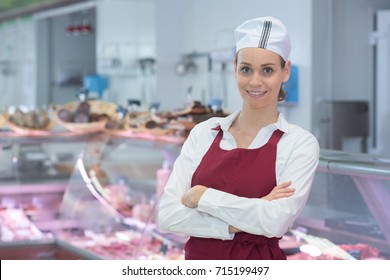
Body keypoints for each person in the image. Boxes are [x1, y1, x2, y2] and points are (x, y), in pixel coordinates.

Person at [158, 16, 320, 260]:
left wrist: (201, 196)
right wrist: (249, 216)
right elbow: (168, 216)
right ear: (234, 66)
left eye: (267, 70)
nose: (255, 81)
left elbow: (274, 222)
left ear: (285, 71)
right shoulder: (204, 132)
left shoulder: (299, 143)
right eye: (246, 69)